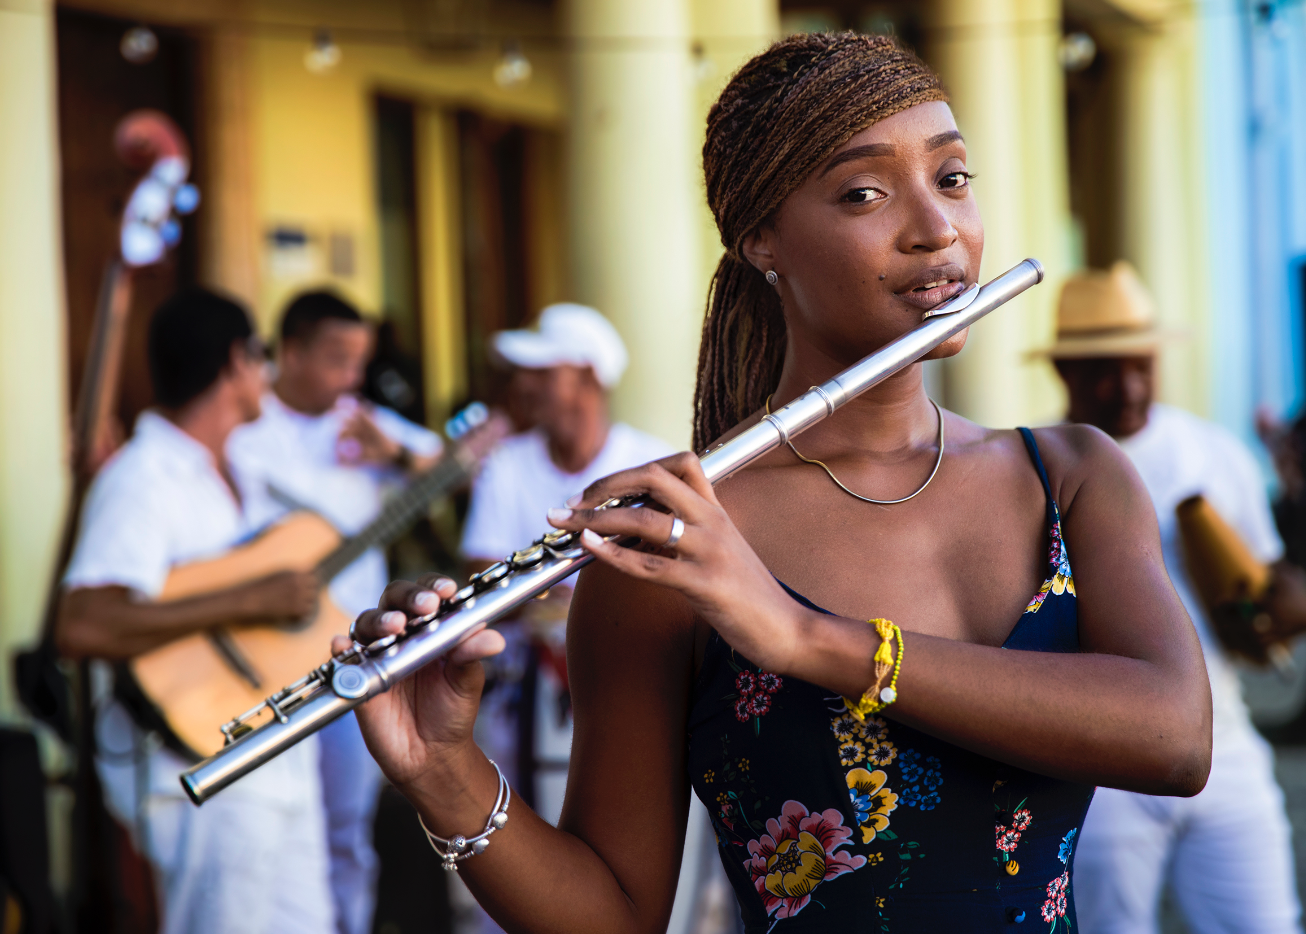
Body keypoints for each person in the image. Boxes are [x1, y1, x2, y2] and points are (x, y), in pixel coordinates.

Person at [344, 33, 1212, 933]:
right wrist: (443, 773)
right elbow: (612, 916)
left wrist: (805, 637)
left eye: (952, 178)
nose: (938, 228)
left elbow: (1177, 737)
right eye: (866, 193)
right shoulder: (677, 546)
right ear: (763, 238)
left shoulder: (1071, 476)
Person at [1047, 263, 1306, 934]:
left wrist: (1286, 602)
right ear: (1063, 370)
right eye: (1106, 369)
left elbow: (1273, 573)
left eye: (1141, 364)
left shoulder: (1212, 452)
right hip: (1100, 767)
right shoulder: (1032, 464)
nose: (1130, 386)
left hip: (1223, 742)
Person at [57, 289, 334, 933]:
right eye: (261, 356)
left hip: (278, 748)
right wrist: (248, 599)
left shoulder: (238, 468)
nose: (266, 373)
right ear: (237, 361)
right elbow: (84, 622)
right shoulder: (143, 476)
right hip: (201, 761)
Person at [228, 289, 444, 934]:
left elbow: (453, 467)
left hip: (350, 660)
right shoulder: (241, 421)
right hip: (256, 658)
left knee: (346, 826)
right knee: (267, 821)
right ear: (287, 352)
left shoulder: (362, 421)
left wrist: (394, 455)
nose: (351, 377)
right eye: (336, 360)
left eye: (360, 361)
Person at [459, 302, 671, 823]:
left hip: (626, 692)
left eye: (543, 372)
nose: (525, 385)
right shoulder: (506, 464)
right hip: (517, 695)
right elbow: (479, 579)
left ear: (588, 378)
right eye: (524, 372)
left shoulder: (653, 463)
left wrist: (552, 597)